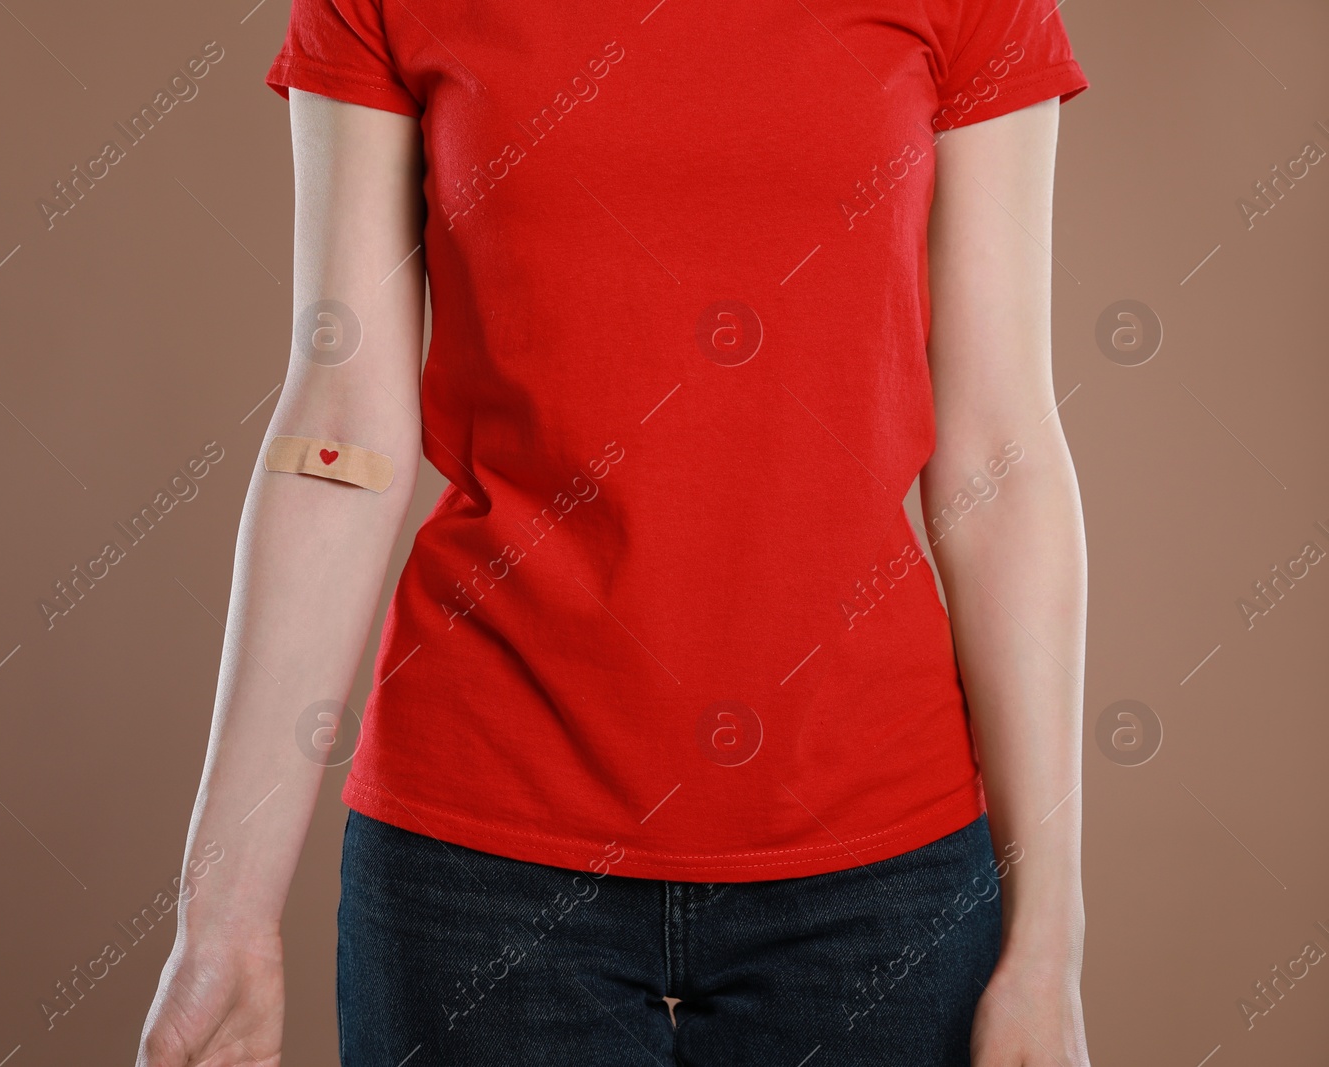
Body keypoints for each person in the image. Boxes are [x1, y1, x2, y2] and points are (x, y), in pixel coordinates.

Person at [137, 0, 1091, 1063]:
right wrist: (222, 916)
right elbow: (340, 434)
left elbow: (999, 457)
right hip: (479, 849)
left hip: (873, 865)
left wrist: (1048, 940)